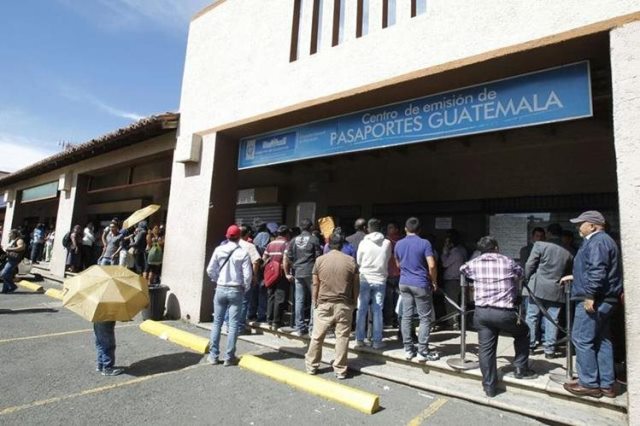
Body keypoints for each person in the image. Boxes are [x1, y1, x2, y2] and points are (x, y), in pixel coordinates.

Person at [460, 236, 536, 398]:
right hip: (504, 313)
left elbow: (462, 270)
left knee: (486, 349)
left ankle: (489, 387)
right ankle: (520, 368)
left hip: (481, 313)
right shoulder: (507, 261)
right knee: (523, 332)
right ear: (496, 247)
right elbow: (521, 273)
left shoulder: (474, 263)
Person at [561, 211, 622, 398]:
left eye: (581, 223)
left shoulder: (597, 241)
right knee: (602, 340)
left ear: (593, 225)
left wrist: (590, 295)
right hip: (606, 299)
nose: (578, 227)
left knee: (581, 338)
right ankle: (607, 384)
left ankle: (588, 383)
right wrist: (575, 276)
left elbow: (598, 269)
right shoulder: (603, 241)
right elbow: (594, 269)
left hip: (596, 299)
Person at [305, 233, 359, 379]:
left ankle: (312, 365)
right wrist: (354, 301)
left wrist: (314, 301)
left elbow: (315, 283)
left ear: (329, 243)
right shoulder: (351, 261)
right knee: (342, 337)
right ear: (342, 245)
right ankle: (340, 369)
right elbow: (356, 283)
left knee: (317, 336)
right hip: (344, 304)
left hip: (323, 303)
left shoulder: (320, 260)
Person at [524, 223, 573, 358]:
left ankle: (530, 346)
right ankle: (549, 350)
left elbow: (530, 264)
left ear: (549, 233)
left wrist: (527, 278)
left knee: (532, 316)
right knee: (553, 319)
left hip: (537, 287)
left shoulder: (540, 245)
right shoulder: (568, 251)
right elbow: (569, 271)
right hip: (557, 288)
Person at [394, 217, 439, 362]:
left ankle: (408, 349)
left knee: (406, 316)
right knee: (424, 317)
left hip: (404, 282)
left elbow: (398, 264)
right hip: (420, 283)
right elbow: (431, 265)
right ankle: (422, 350)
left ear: (405, 229)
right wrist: (434, 281)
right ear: (420, 230)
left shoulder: (398, 244)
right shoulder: (424, 243)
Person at [207, 225, 252, 366]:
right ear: (239, 237)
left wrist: (217, 279)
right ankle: (229, 357)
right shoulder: (243, 253)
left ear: (227, 236)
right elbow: (248, 275)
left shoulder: (218, 250)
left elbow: (210, 269)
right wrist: (245, 287)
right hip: (236, 289)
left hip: (220, 288)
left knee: (217, 323)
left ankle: (213, 356)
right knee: (233, 325)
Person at [355, 218, 392, 349]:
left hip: (364, 278)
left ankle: (359, 339)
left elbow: (358, 261)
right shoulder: (387, 243)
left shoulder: (363, 243)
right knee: (378, 310)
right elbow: (387, 258)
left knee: (361, 309)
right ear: (380, 228)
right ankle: (377, 341)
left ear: (368, 229)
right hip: (380, 279)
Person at [284, 218, 323, 336]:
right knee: (314, 299)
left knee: (299, 300)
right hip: (311, 273)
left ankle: (299, 327)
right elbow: (318, 257)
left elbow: (288, 257)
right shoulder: (314, 239)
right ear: (311, 227)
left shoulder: (293, 240)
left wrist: (295, 266)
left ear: (301, 228)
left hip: (298, 272)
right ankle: (312, 328)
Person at [262, 225, 290, 330]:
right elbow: (285, 259)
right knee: (280, 297)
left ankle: (269, 320)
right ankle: (276, 321)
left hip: (271, 274)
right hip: (281, 274)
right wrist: (287, 273)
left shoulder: (270, 244)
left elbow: (264, 258)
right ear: (287, 234)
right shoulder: (286, 244)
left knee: (271, 296)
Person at [440, 229, 468, 330]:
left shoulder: (455, 252)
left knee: (451, 303)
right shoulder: (462, 250)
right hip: (458, 279)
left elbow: (445, 263)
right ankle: (455, 322)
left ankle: (453, 323)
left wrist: (444, 252)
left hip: (452, 280)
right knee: (456, 301)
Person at [238, 225, 262, 330]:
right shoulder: (249, 246)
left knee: (233, 303)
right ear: (247, 234)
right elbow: (256, 261)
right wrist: (255, 276)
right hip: (245, 278)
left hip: (232, 279)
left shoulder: (229, 245)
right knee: (243, 302)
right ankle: (239, 326)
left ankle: (230, 324)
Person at [383, 222, 402, 328]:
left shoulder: (398, 241)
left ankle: (394, 320)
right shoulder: (386, 241)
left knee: (396, 299)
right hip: (389, 273)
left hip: (397, 274)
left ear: (396, 229)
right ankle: (390, 320)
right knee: (389, 300)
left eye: (391, 227)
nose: (388, 229)